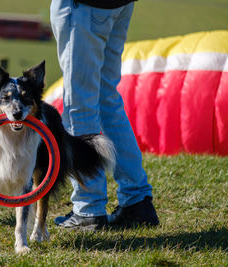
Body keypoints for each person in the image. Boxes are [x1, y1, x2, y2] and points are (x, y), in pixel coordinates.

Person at [50, 0, 159, 228]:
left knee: (79, 106)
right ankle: (136, 202)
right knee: (106, 99)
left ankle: (88, 208)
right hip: (119, 5)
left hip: (84, 6)